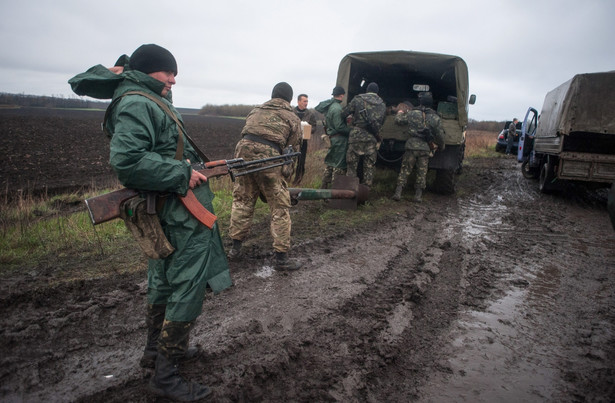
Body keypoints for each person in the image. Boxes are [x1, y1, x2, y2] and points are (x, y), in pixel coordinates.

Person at [68, 44, 232, 402]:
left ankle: (155, 353)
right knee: (186, 286)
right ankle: (166, 374)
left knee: (162, 282)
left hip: (166, 208)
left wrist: (186, 168)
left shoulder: (144, 97)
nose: (173, 79)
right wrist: (182, 173)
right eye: (167, 73)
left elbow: (158, 152)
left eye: (174, 73)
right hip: (178, 212)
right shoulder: (140, 102)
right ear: (148, 72)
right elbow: (127, 161)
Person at [227, 82, 303, 271]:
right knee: (279, 208)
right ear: (289, 99)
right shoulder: (292, 117)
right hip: (269, 158)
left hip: (242, 154)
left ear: (272, 95)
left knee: (242, 201)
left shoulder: (255, 111)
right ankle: (281, 259)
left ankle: (235, 250)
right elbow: (292, 152)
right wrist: (284, 175)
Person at [392, 91, 445, 202]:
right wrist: (441, 146)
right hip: (425, 148)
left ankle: (398, 193)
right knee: (422, 172)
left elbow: (399, 120)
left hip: (411, 146)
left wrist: (400, 112)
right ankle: (418, 196)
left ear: (420, 102)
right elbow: (440, 135)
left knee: (405, 170)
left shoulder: (412, 113)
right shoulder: (435, 118)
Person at [342, 82, 386, 187]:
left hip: (356, 136)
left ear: (367, 90)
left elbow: (344, 113)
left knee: (352, 164)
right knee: (369, 165)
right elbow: (382, 122)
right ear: (377, 92)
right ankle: (365, 192)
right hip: (372, 137)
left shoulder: (358, 99)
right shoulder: (382, 104)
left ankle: (350, 191)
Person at [315, 86, 351, 189]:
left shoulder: (331, 106)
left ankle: (323, 188)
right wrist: (352, 131)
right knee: (339, 166)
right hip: (339, 140)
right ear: (342, 95)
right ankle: (335, 191)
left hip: (332, 138)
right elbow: (339, 127)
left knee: (330, 164)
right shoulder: (337, 108)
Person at [292, 93, 317, 184]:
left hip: (304, 141)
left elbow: (314, 127)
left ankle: (298, 180)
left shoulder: (310, 114)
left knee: (301, 161)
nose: (306, 103)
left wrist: (308, 129)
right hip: (292, 141)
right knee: (290, 160)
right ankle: (288, 178)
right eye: (304, 101)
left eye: (307, 101)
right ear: (298, 101)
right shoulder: (291, 112)